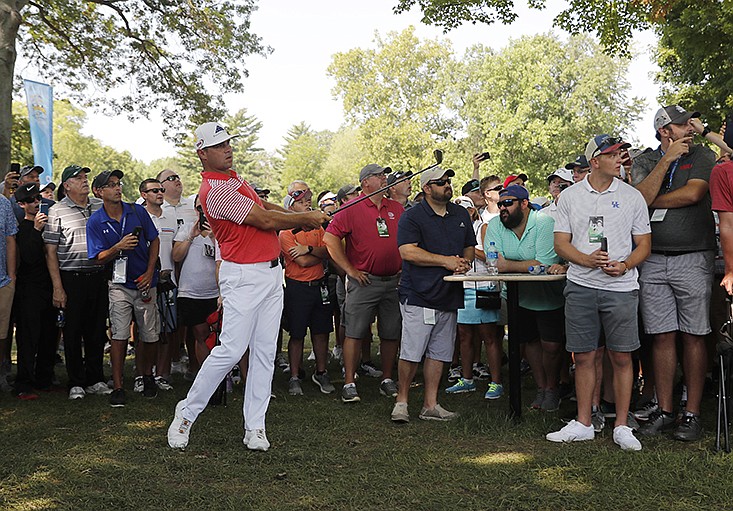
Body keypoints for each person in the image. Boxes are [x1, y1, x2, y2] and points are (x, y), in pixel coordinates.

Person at [167, 121, 328, 451]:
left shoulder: (234, 179)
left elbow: (266, 208)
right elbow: (264, 221)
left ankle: (255, 426)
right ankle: (186, 413)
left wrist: (303, 216)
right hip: (243, 276)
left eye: (227, 142)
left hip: (270, 274)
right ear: (202, 154)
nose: (227, 148)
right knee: (230, 350)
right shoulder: (215, 190)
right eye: (218, 145)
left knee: (266, 353)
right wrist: (304, 219)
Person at [547, 134, 651, 451]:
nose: (620, 157)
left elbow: (645, 244)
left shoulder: (633, 197)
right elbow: (560, 243)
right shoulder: (570, 197)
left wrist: (625, 264)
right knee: (584, 356)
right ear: (595, 161)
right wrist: (585, 260)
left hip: (621, 287)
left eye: (622, 152)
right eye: (613, 153)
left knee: (621, 356)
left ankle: (621, 425)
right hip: (580, 285)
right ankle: (583, 423)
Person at [632, 106, 716, 442]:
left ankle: (692, 412)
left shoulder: (702, 155)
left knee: (694, 334)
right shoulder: (645, 161)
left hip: (693, 256)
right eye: (683, 124)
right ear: (665, 130)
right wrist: (666, 161)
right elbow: (638, 199)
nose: (691, 128)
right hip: (652, 259)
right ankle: (666, 410)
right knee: (662, 335)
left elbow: (694, 193)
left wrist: (654, 201)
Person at [391, 167, 474, 423]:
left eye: (449, 181)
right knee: (412, 350)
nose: (447, 186)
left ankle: (431, 404)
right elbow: (408, 252)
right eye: (440, 183)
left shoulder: (460, 213)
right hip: (419, 293)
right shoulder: (412, 216)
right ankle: (401, 402)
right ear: (426, 188)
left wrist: (464, 263)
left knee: (440, 351)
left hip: (449, 293)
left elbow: (469, 246)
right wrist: (446, 262)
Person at [324, 163, 404, 403]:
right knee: (355, 333)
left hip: (393, 281)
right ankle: (349, 381)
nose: (385, 179)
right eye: (380, 176)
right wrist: (349, 270)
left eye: (385, 175)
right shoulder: (352, 207)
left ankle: (387, 379)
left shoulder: (396, 208)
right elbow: (330, 238)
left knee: (391, 333)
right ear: (366, 182)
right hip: (364, 281)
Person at [486, 185, 566, 411]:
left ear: (524, 204)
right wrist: (524, 265)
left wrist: (508, 265)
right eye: (500, 204)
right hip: (517, 297)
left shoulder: (543, 223)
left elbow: (544, 263)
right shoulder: (494, 225)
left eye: (508, 203)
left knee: (551, 345)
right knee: (529, 342)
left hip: (548, 296)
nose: (502, 208)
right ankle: (542, 388)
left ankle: (553, 387)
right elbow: (495, 263)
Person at [86, 170, 160, 407]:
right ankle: (118, 386)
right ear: (98, 192)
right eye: (110, 185)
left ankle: (147, 375)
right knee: (118, 335)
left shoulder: (137, 211)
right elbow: (97, 258)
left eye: (118, 184)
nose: (117, 188)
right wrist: (118, 247)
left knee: (150, 336)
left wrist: (150, 272)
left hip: (145, 282)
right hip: (118, 285)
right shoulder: (96, 221)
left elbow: (154, 239)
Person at [43, 165, 111, 400]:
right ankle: (76, 382)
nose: (84, 181)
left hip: (98, 275)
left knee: (96, 330)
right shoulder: (57, 211)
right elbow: (50, 252)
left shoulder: (100, 206)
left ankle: (96, 378)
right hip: (71, 277)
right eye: (78, 178)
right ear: (67, 185)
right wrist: (57, 287)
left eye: (85, 177)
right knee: (72, 331)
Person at [279, 181, 334, 396]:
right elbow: (300, 262)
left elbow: (329, 250)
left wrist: (309, 249)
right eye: (301, 202)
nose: (307, 204)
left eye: (308, 200)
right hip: (297, 288)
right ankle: (294, 375)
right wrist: (316, 254)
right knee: (297, 334)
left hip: (319, 285)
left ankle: (321, 372)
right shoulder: (285, 232)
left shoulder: (318, 227)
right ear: (291, 206)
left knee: (321, 332)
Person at [445, 196, 503, 399]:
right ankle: (467, 379)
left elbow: (491, 256)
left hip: (483, 286)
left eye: (463, 210)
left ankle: (496, 382)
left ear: (471, 211)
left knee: (489, 337)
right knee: (464, 335)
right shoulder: (453, 230)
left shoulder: (483, 228)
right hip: (462, 286)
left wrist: (467, 250)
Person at [12, 183, 56, 398]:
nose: (37, 203)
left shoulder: (49, 225)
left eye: (38, 198)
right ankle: (23, 384)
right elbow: (27, 258)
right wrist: (36, 229)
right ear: (21, 204)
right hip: (29, 290)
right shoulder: (21, 228)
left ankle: (44, 379)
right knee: (28, 338)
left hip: (49, 288)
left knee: (49, 334)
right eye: (31, 200)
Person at [171, 194, 219, 372]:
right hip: (191, 291)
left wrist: (215, 238)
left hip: (215, 292)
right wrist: (191, 237)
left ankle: (221, 374)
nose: (203, 211)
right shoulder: (187, 227)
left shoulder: (222, 231)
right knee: (200, 334)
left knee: (217, 334)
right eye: (199, 208)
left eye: (206, 207)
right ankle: (203, 373)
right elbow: (176, 256)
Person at [140, 178, 178, 391]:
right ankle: (141, 374)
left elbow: (173, 247)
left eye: (161, 190)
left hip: (168, 280)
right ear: (144, 194)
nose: (160, 193)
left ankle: (162, 374)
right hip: (147, 279)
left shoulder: (170, 215)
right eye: (154, 190)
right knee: (146, 331)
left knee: (168, 329)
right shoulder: (138, 215)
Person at [0, 190, 16, 392]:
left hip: (2, 281)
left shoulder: (3, 203)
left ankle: (1, 376)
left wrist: (11, 277)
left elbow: (11, 238)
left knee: (2, 335)